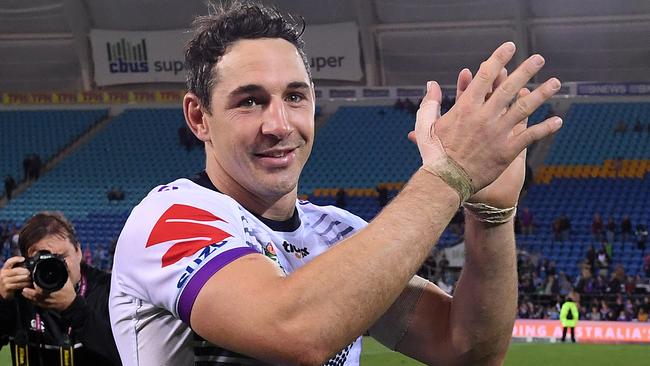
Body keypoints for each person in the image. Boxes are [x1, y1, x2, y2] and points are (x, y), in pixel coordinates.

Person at [108, 2, 563, 365]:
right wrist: (448, 177)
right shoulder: (170, 218)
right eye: (250, 101)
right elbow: (296, 333)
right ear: (198, 117)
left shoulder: (336, 232)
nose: (279, 124)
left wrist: (492, 215)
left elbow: (467, 350)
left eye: (294, 96)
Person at [0, 212, 121, 365]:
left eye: (61, 257)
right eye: (42, 260)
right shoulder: (19, 294)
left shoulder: (109, 290)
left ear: (78, 251)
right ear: (26, 262)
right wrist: (1, 302)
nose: (54, 266)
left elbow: (130, 357)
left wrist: (74, 308)